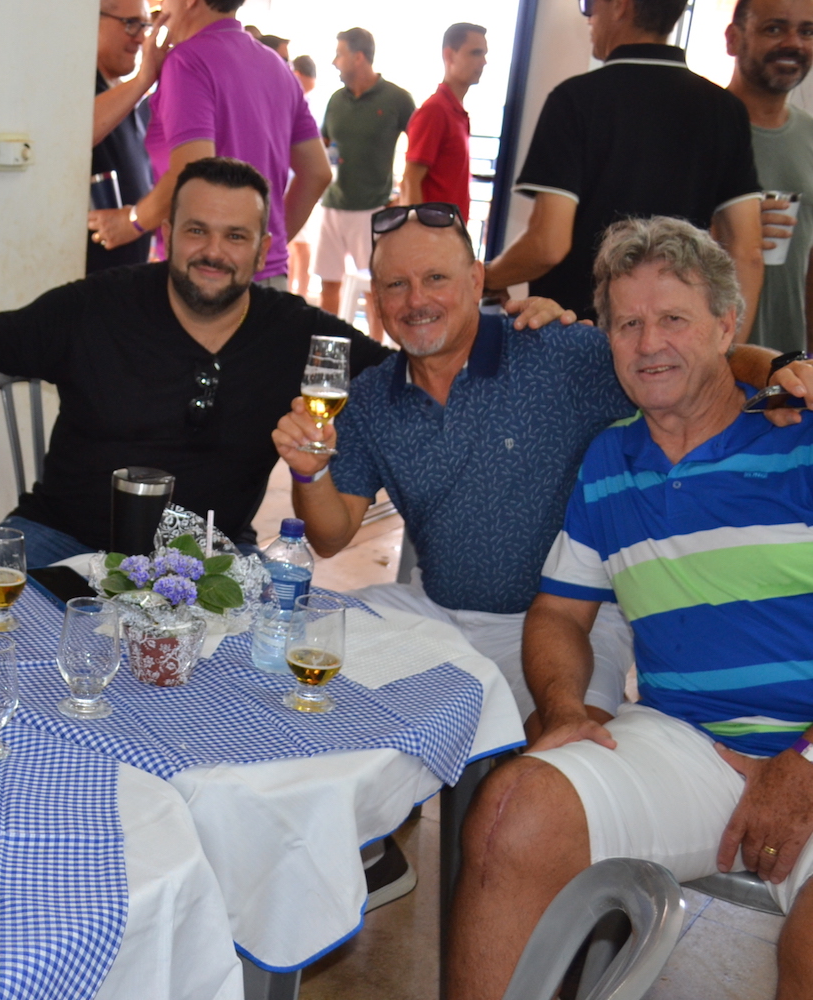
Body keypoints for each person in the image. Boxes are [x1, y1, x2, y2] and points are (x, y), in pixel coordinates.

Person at [449, 217, 813, 1000]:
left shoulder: (800, 438)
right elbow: (558, 614)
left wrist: (805, 763)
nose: (650, 344)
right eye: (627, 324)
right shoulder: (609, 459)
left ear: (728, 326)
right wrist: (562, 709)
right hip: (689, 742)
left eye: (674, 318)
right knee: (513, 810)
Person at [0, 160, 568, 567]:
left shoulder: (301, 336)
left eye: (236, 236)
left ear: (264, 248)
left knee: (249, 695)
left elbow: (420, 363)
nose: (214, 252)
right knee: (4, 653)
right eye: (197, 231)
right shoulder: (95, 308)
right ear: (168, 235)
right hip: (62, 543)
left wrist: (522, 326)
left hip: (211, 560)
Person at [273, 204, 796, 730]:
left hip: (572, 619)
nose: (416, 300)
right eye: (396, 284)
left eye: (436, 278)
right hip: (433, 610)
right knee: (302, 650)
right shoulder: (369, 397)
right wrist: (309, 472)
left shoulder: (555, 349)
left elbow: (688, 358)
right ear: (376, 297)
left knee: (563, 748)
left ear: (476, 280)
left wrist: (779, 369)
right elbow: (331, 537)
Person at [486, 0, 765, 329]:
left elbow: (547, 245)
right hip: (671, 335)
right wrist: (727, 349)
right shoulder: (725, 110)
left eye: (590, 4)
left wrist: (486, 278)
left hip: (578, 332)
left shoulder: (576, 99)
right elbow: (747, 252)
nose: (589, 16)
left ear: (620, 6)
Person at [87, 0, 329, 290]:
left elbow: (193, 172)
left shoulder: (187, 61)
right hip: (267, 277)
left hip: (207, 280)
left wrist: (132, 221)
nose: (162, 6)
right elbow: (317, 173)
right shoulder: (276, 66)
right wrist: (257, 246)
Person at [316, 28, 415, 340]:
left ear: (359, 57)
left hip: (373, 209)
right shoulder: (335, 100)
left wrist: (402, 194)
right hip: (333, 205)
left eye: (340, 54)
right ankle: (327, 349)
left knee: (376, 290)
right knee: (328, 285)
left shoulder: (397, 99)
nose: (334, 62)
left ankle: (375, 354)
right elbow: (323, 144)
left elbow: (420, 148)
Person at [728, 0, 813, 355]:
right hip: (705, 364)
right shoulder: (694, 128)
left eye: (807, 32)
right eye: (774, 29)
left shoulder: (809, 135)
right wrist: (729, 231)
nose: (794, 43)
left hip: (788, 365)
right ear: (733, 39)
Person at [90, 0, 167, 274]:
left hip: (126, 275)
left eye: (145, 26)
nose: (141, 38)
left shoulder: (128, 97)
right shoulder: (80, 88)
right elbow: (73, 136)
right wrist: (142, 79)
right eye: (130, 24)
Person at [401, 23, 487, 223]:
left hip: (449, 231)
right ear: (449, 56)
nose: (483, 62)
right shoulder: (435, 111)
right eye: (475, 53)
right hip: (433, 233)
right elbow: (410, 181)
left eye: (484, 54)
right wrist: (419, 234)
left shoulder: (456, 111)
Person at [289, 54, 319, 300]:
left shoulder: (308, 104)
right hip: (289, 180)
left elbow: (319, 171)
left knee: (301, 242)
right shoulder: (295, 99)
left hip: (299, 182)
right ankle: (292, 290)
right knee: (290, 244)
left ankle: (300, 292)